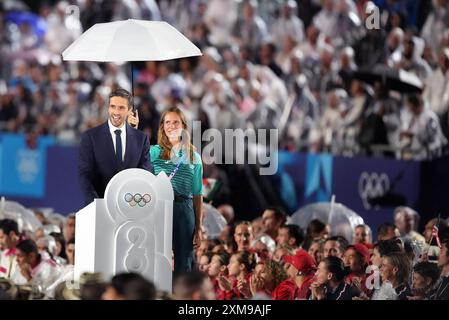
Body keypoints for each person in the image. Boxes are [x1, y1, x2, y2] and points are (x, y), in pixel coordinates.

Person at [149, 106, 203, 276]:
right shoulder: (153, 152)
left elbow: (197, 193)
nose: (171, 126)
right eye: (167, 122)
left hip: (183, 208)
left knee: (184, 260)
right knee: (156, 255)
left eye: (176, 122)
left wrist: (199, 227)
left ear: (183, 127)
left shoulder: (194, 156)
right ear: (162, 126)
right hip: (158, 208)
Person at [78, 88, 152, 205]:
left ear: (129, 111)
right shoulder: (91, 137)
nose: (116, 112)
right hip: (99, 207)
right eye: (113, 107)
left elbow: (145, 173)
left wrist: (134, 202)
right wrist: (95, 204)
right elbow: (84, 175)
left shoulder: (141, 139)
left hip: (130, 207)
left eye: (121, 108)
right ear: (108, 108)